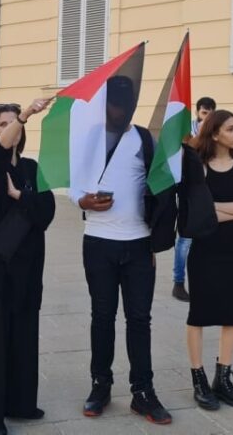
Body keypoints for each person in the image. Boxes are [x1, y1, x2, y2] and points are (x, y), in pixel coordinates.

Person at [71, 76, 174, 426]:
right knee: (102, 317)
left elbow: (160, 183)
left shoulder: (145, 138)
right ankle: (100, 385)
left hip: (138, 243)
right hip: (98, 242)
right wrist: (81, 200)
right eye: (116, 105)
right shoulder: (90, 139)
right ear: (106, 105)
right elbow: (73, 181)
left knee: (140, 320)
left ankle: (142, 391)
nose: (122, 111)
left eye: (128, 105)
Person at [0, 100, 56, 435]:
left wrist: (22, 196)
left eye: (12, 123)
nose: (8, 128)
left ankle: (21, 402)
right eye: (1, 123)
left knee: (24, 332)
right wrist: (24, 114)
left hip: (29, 266)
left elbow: (47, 212)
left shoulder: (33, 168)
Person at [182, 110, 233, 411]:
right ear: (214, 134)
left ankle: (222, 378)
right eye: (230, 129)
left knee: (230, 314)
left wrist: (214, 209)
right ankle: (198, 379)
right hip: (205, 247)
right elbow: (197, 212)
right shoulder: (198, 166)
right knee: (198, 314)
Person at [173, 96, 218, 302]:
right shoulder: (190, 130)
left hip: (207, 188)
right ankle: (179, 282)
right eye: (203, 113)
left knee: (207, 238)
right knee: (185, 239)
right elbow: (185, 149)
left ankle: (202, 281)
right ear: (198, 112)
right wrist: (201, 133)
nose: (206, 118)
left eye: (210, 114)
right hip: (188, 188)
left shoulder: (215, 131)